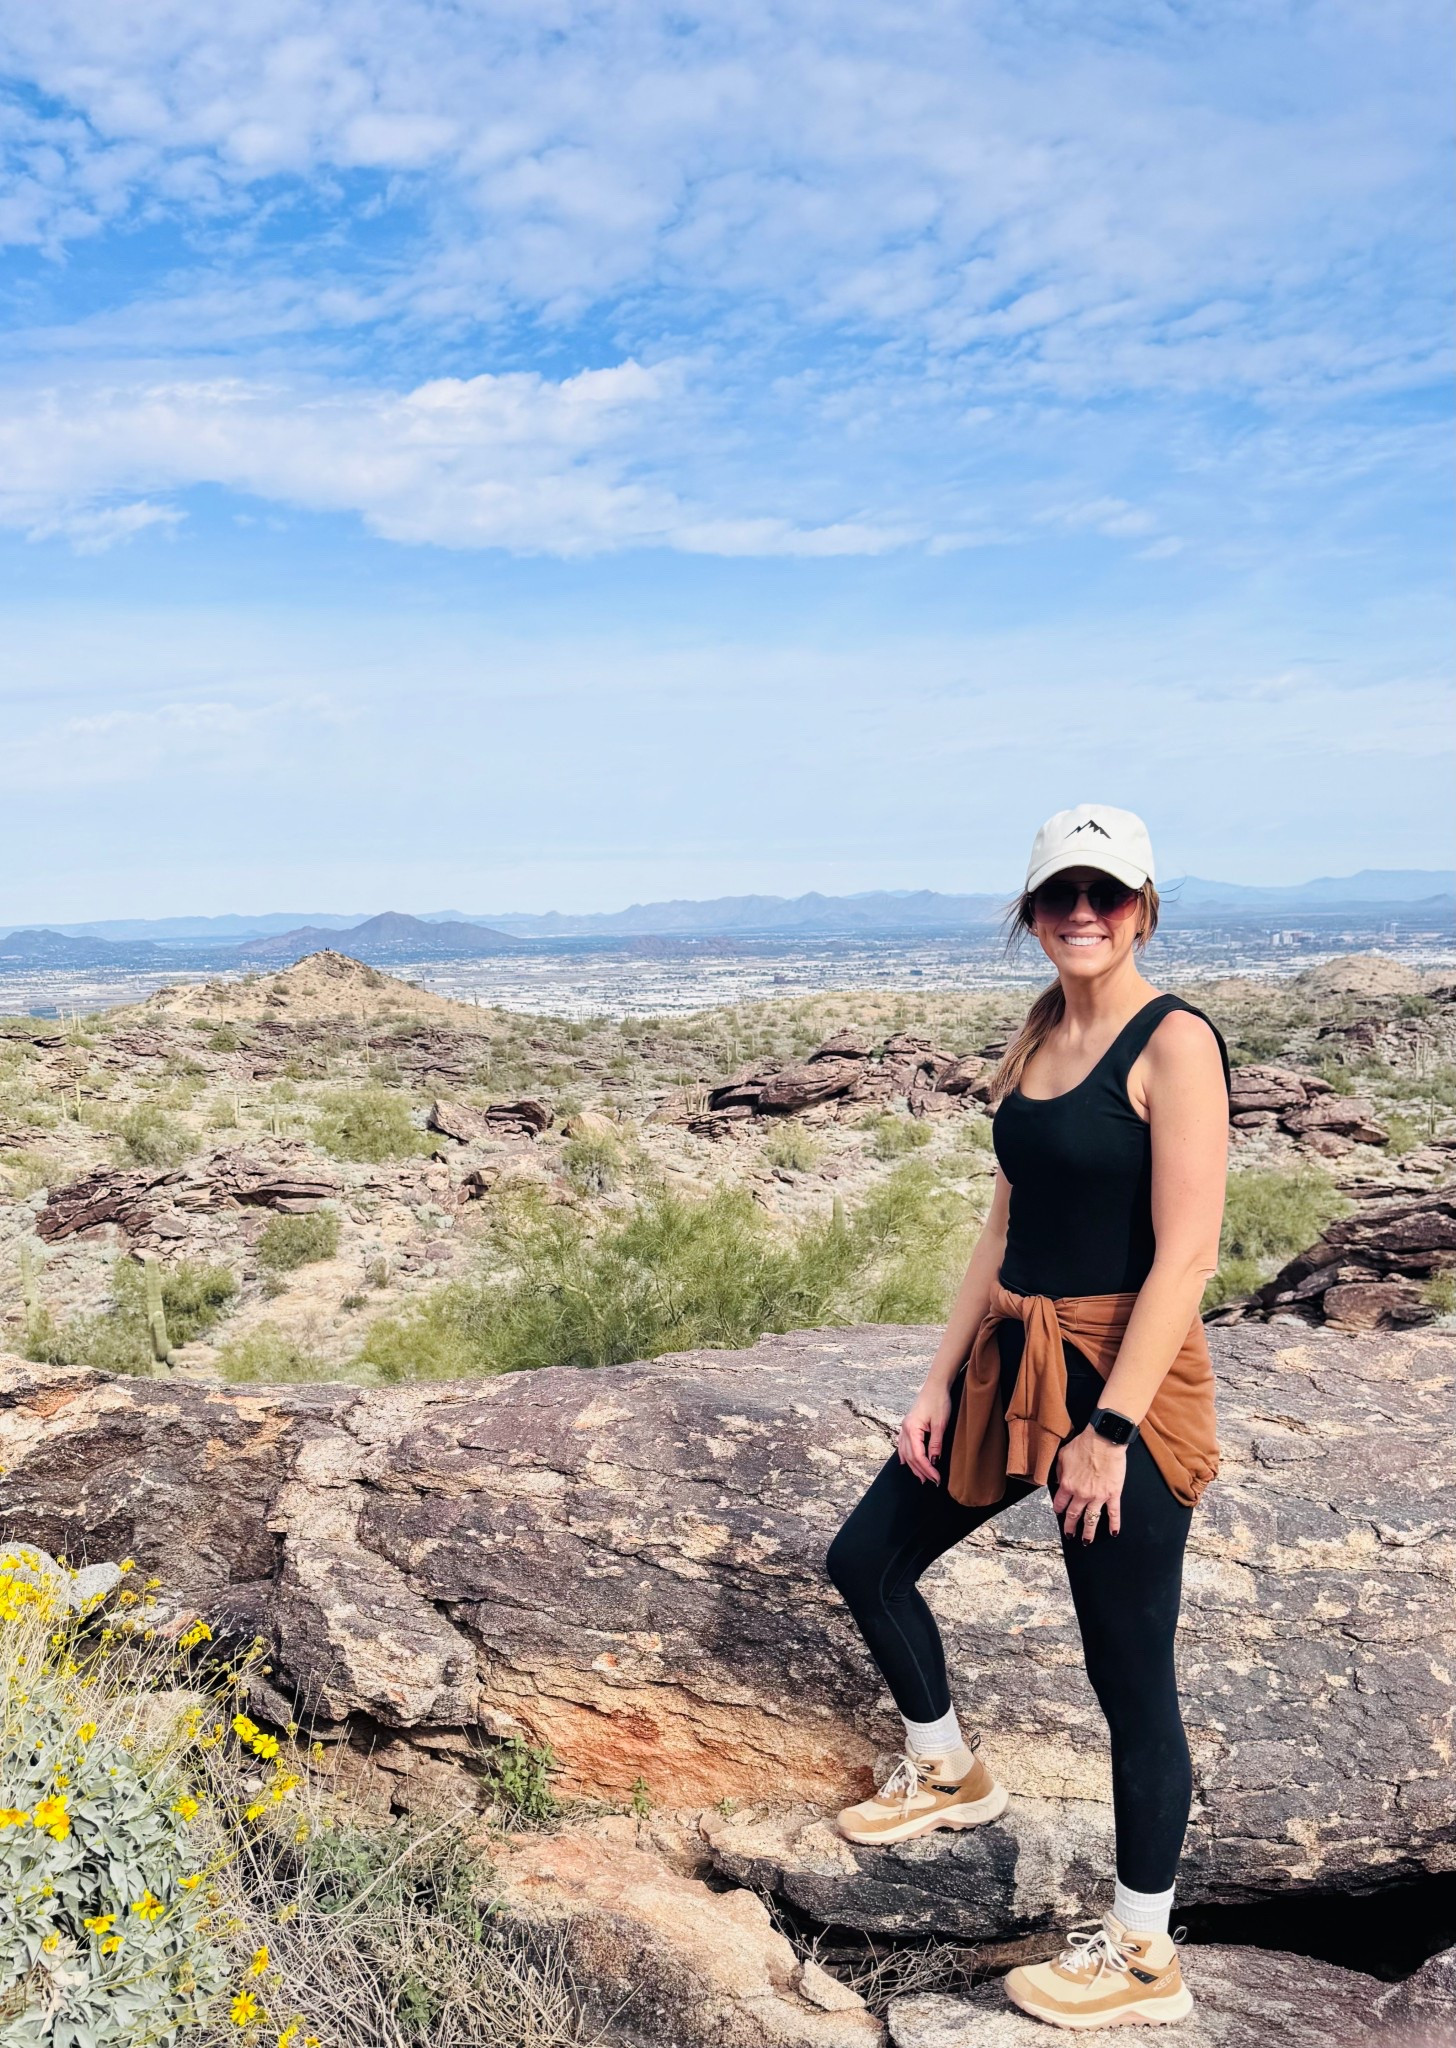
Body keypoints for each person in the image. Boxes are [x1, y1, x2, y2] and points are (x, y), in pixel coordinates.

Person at [825, 802, 1230, 2030]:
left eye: (1106, 893)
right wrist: (939, 1376)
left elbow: (1186, 1257)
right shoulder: (1041, 1031)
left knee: (1127, 1675)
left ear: (1144, 906)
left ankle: (1144, 1951)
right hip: (1013, 1354)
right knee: (866, 1557)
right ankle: (946, 1762)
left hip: (1124, 1374)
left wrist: (1106, 1433)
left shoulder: (1175, 1044)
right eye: (1061, 893)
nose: (1082, 913)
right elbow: (999, 1227)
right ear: (1032, 909)